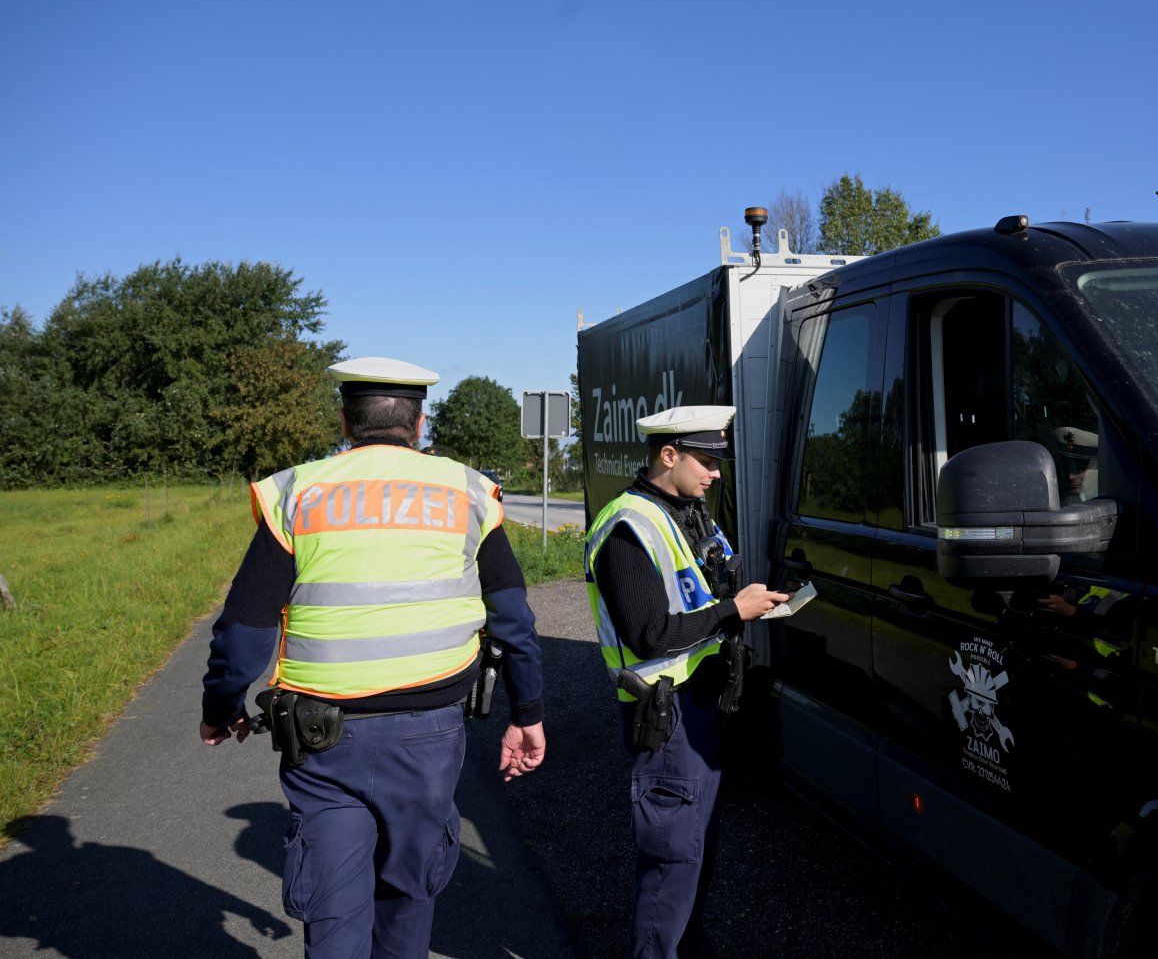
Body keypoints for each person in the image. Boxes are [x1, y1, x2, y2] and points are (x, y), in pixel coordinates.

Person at [199, 356, 547, 959]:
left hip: (321, 741)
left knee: (333, 915)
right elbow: (514, 620)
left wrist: (220, 705)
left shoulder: (298, 492)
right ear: (419, 422)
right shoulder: (465, 491)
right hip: (430, 737)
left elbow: (245, 630)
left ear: (345, 420)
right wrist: (529, 711)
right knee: (409, 898)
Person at [583, 405, 788, 959]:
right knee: (672, 858)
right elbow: (650, 633)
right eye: (706, 460)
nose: (716, 472)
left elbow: (703, 597)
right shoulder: (629, 525)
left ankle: (686, 947)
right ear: (667, 456)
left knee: (697, 849)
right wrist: (733, 612)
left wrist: (748, 605)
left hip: (702, 709)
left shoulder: (687, 512)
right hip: (665, 716)